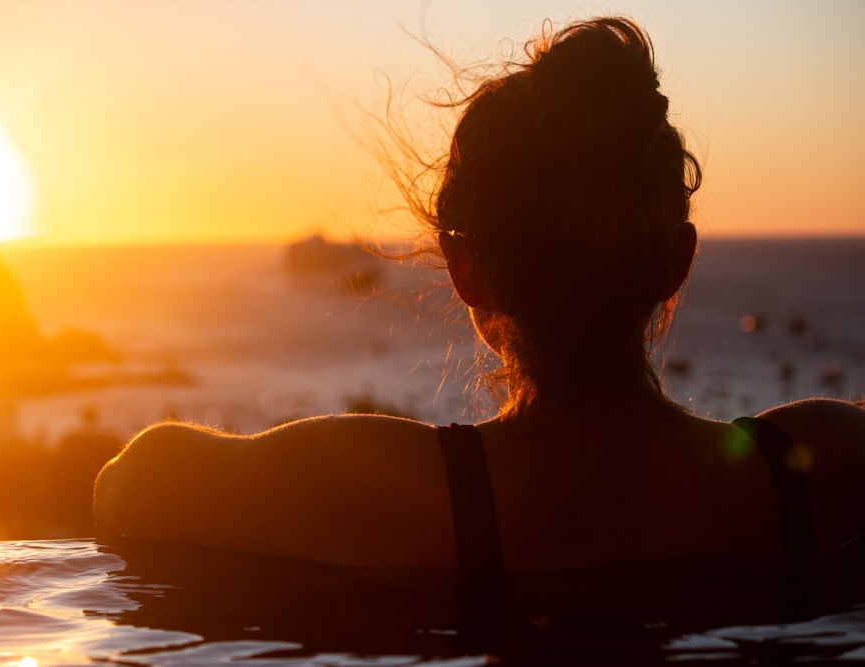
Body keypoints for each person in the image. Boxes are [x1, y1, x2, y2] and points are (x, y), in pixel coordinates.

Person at [94, 17, 864, 589]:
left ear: (466, 272)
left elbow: (131, 483)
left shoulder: (407, 490)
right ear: (676, 263)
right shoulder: (821, 466)